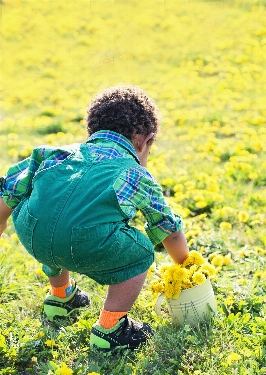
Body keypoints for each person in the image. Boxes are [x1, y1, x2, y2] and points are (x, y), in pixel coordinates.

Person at [0, 85, 189, 352]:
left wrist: (2, 222)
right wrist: (185, 266)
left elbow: (10, 189)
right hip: (85, 244)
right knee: (142, 252)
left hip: (33, 235)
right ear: (146, 141)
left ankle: (60, 298)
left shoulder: (55, 153)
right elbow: (167, 229)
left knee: (54, 216)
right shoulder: (134, 174)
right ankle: (111, 328)